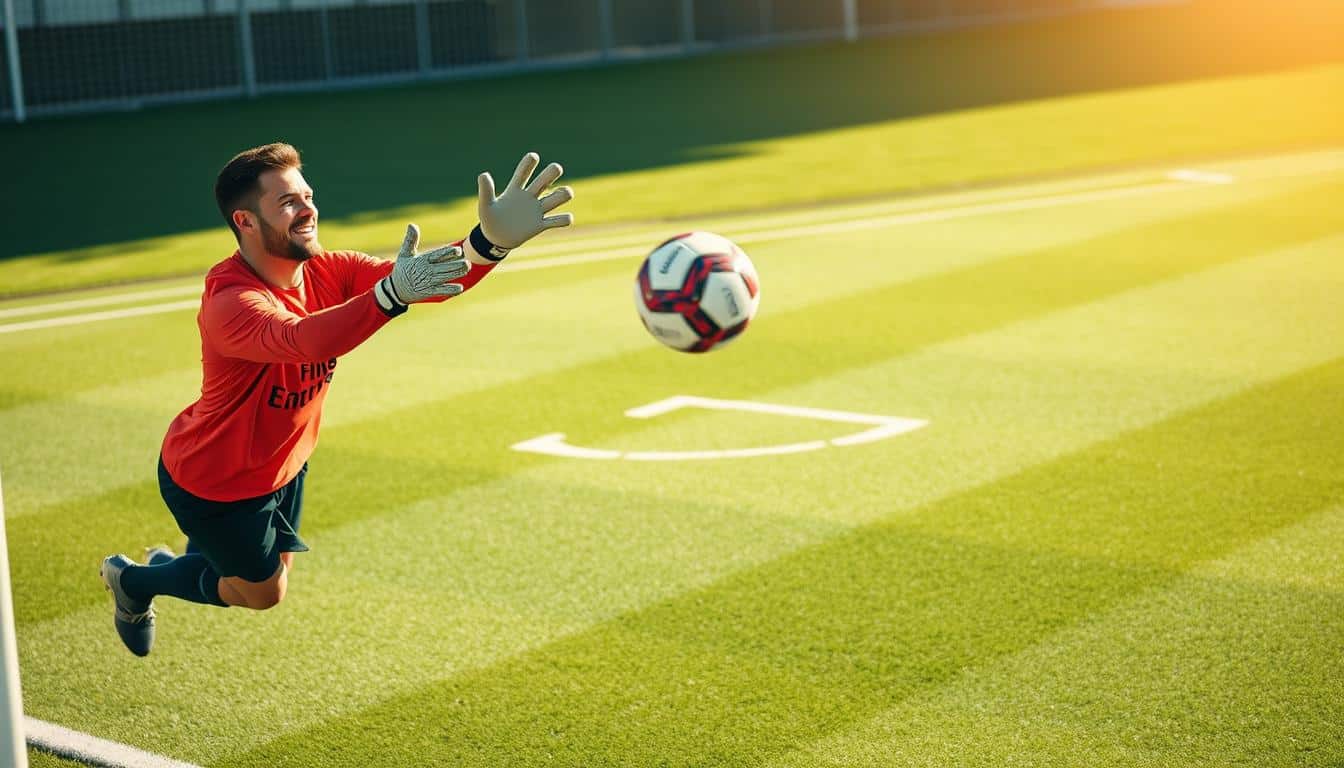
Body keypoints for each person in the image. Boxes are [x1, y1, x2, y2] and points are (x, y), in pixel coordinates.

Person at [99, 142, 574, 656]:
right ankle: (135, 583)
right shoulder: (231, 302)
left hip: (287, 460)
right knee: (263, 594)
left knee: (261, 569)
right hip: (218, 481)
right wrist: (390, 296)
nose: (307, 209)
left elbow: (430, 279)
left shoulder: (332, 269)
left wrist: (488, 243)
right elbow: (304, 339)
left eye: (307, 195)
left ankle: (199, 557)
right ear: (246, 221)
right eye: (287, 203)